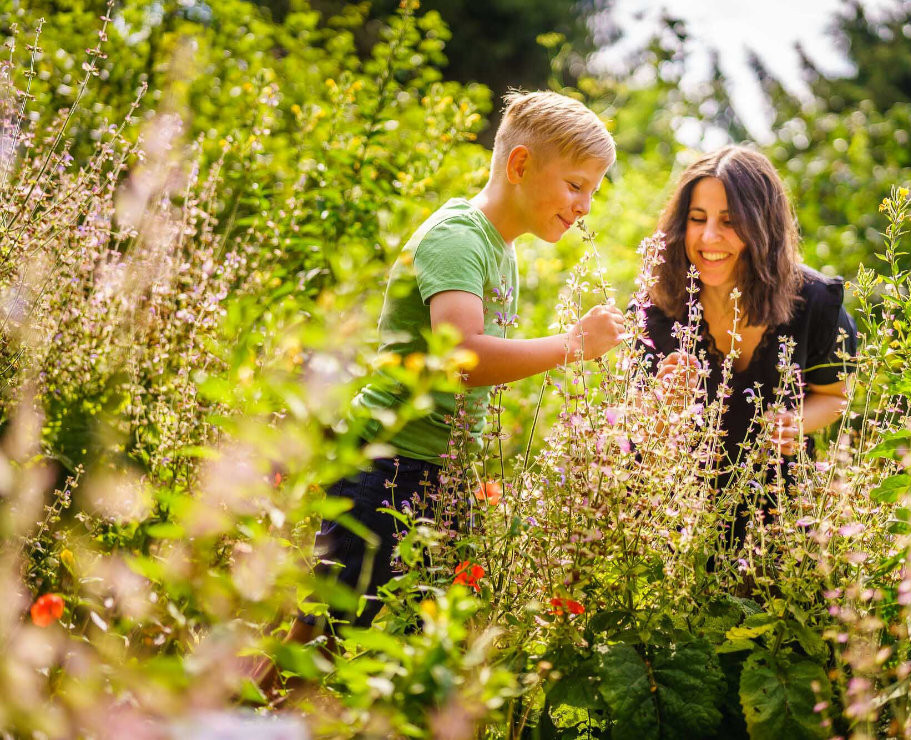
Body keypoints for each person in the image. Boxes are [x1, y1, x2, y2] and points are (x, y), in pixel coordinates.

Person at [256, 91, 622, 686]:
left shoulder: (501, 250)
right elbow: (463, 356)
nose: (584, 206)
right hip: (384, 469)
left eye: (594, 192)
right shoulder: (458, 236)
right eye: (577, 185)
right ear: (521, 165)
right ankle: (238, 717)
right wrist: (571, 345)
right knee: (323, 635)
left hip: (434, 476)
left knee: (392, 645)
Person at [641, 145, 857, 492]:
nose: (709, 237)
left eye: (730, 222)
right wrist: (661, 405)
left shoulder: (816, 301)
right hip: (672, 510)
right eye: (698, 219)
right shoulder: (654, 305)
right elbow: (630, 426)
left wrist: (796, 423)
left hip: (778, 513)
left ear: (762, 226)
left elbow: (835, 396)